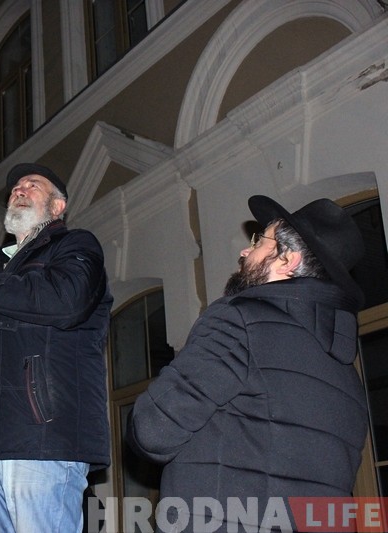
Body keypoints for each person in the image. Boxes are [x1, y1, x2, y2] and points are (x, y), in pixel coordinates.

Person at [127, 195, 369, 532]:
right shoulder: (347, 376)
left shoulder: (239, 322)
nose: (244, 251)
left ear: (287, 260)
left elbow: (153, 430)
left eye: (258, 242)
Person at [0, 163, 113, 532]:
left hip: (45, 438)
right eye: (16, 186)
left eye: (33, 185)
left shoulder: (75, 245)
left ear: (58, 207)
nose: (20, 188)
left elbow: (67, 302)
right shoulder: (0, 271)